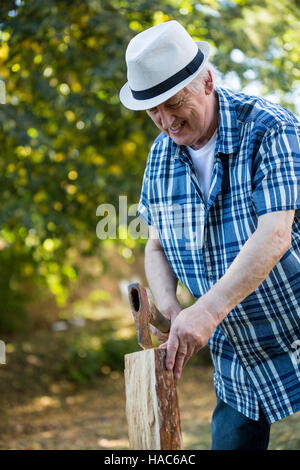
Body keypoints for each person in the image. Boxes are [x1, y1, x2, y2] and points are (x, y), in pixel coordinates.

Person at [119, 20, 300, 450]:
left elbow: (275, 236)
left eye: (173, 103)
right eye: (153, 111)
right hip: (237, 357)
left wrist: (206, 311)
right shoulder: (160, 157)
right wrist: (172, 309)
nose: (165, 121)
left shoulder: (270, 128)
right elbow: (158, 245)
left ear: (207, 82)